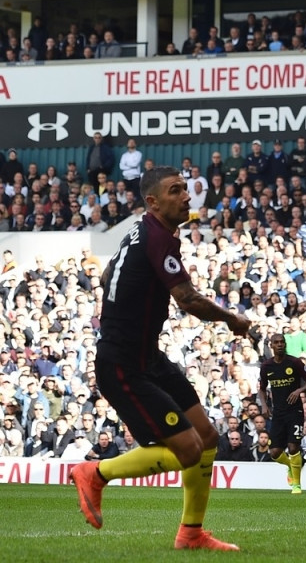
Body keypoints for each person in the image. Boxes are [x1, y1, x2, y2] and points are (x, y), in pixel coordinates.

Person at [69, 166, 251, 551]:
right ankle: (95, 472)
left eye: (186, 189)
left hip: (147, 356)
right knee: (189, 449)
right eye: (175, 191)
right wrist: (232, 318)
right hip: (123, 365)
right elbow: (187, 299)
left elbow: (106, 278)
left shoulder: (140, 230)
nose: (186, 196)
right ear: (152, 202)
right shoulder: (156, 237)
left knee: (208, 436)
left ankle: (191, 533)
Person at [257, 333, 306, 494]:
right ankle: (291, 466)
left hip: (295, 411)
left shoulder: (294, 362)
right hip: (278, 413)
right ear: (271, 346)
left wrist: (299, 390)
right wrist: (264, 405)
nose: (280, 344)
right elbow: (261, 388)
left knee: (293, 446)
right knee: (274, 452)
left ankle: (296, 484)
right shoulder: (267, 366)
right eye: (277, 342)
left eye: (282, 342)